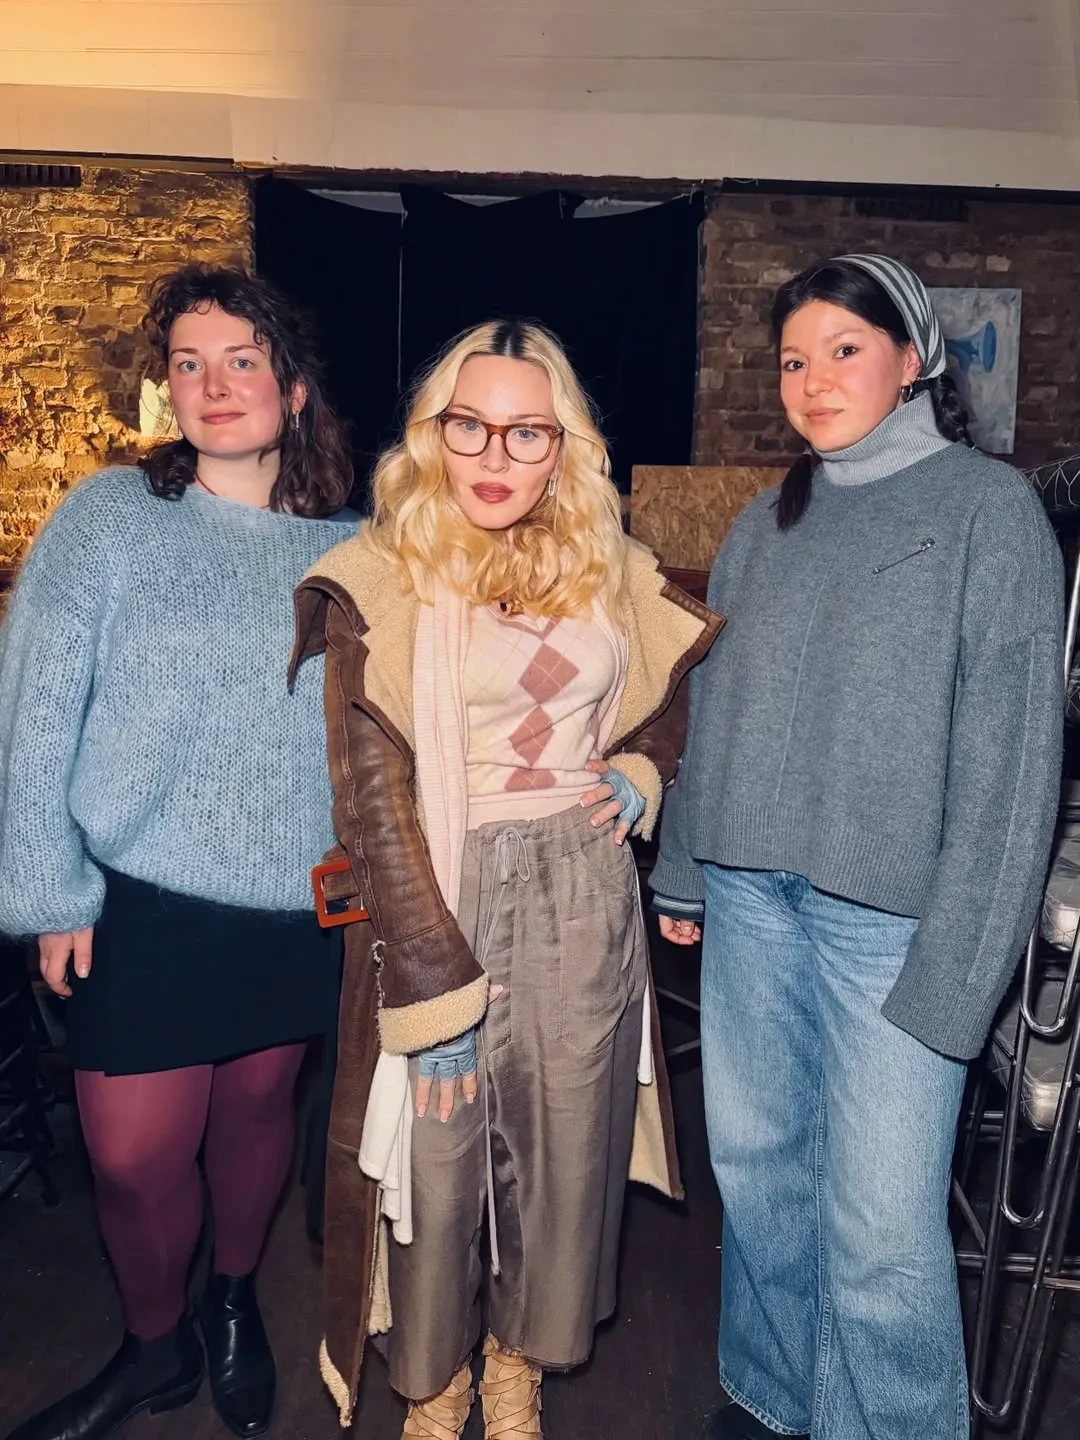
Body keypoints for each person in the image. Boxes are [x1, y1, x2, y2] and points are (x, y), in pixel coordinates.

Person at [651, 253, 1064, 1440]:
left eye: (843, 350)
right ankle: (775, 1400)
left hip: (895, 929)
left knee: (881, 1231)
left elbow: (1013, 773)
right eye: (793, 360)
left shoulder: (990, 513)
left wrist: (964, 974)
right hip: (750, 898)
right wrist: (682, 869)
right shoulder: (764, 520)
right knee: (760, 1177)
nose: (813, 381)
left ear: (915, 357)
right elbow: (712, 704)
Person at [289, 318, 722, 1439]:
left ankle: (516, 1368)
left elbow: (668, 698)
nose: (493, 455)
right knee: (437, 1162)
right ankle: (433, 1391)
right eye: (468, 425)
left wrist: (643, 769)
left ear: (564, 444)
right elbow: (370, 798)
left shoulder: (613, 569)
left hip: (585, 891)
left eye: (526, 432)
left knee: (567, 1155)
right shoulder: (380, 577)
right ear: (430, 434)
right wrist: (431, 987)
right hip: (443, 885)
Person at [0, 266, 356, 1440]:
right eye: (189, 364)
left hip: (296, 900)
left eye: (243, 360)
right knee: (131, 1156)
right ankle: (155, 1347)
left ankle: (234, 1303)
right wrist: (47, 889)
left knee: (256, 1121)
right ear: (166, 389)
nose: (215, 383)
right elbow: (32, 708)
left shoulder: (362, 547)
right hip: (135, 899)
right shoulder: (109, 518)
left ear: (293, 388)